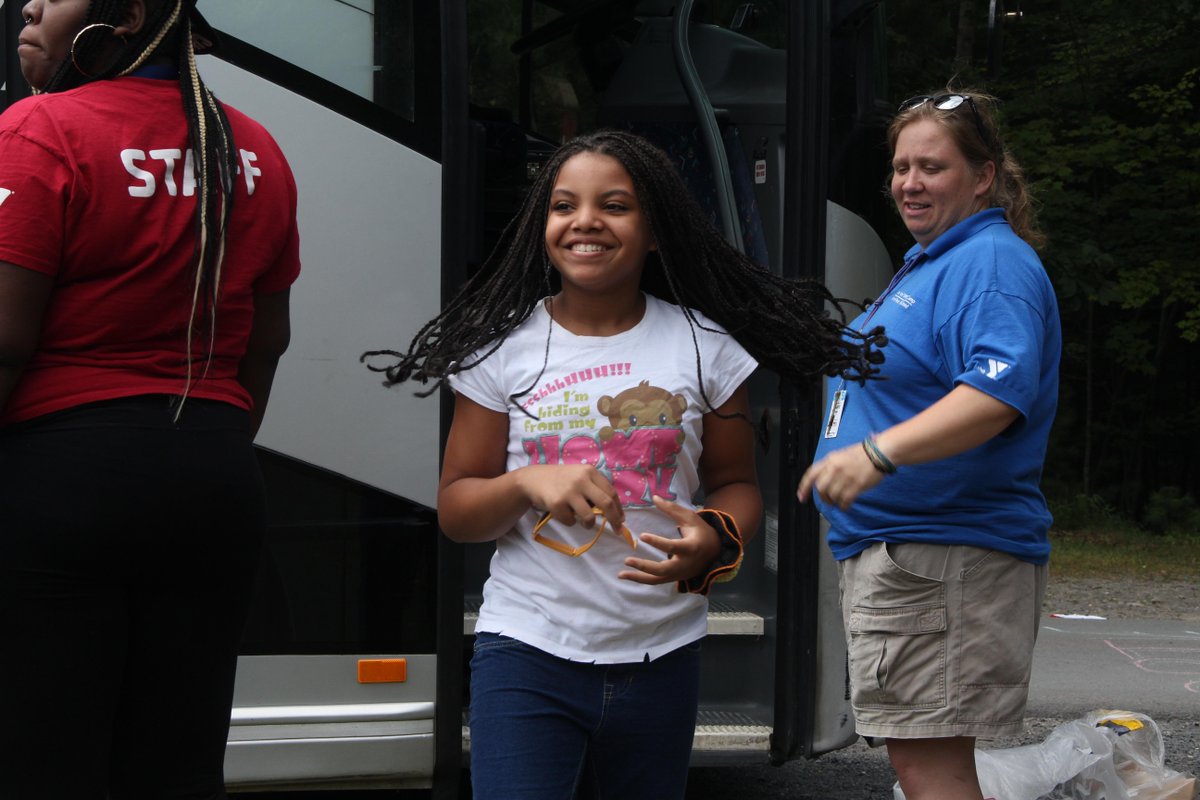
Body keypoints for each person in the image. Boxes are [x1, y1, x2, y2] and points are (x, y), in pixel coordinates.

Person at [363, 130, 883, 799]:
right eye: (563, 206)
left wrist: (717, 538)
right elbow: (460, 510)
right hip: (526, 654)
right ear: (539, 226)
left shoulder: (704, 346)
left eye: (615, 205)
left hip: (661, 657)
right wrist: (528, 481)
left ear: (655, 230)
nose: (586, 221)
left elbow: (735, 485)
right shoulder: (502, 350)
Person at [0, 1, 299, 797]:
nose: (29, 3)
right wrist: (205, 444)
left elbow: (4, 342)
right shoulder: (255, 148)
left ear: (127, 14)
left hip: (62, 477)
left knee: (43, 764)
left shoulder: (40, 129)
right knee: (179, 767)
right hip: (214, 477)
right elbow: (264, 345)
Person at [797, 88, 1061, 800]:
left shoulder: (991, 264)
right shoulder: (935, 259)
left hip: (944, 558)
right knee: (925, 765)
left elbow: (997, 393)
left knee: (931, 769)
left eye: (932, 167)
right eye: (900, 166)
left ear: (983, 176)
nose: (909, 183)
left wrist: (875, 453)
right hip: (915, 557)